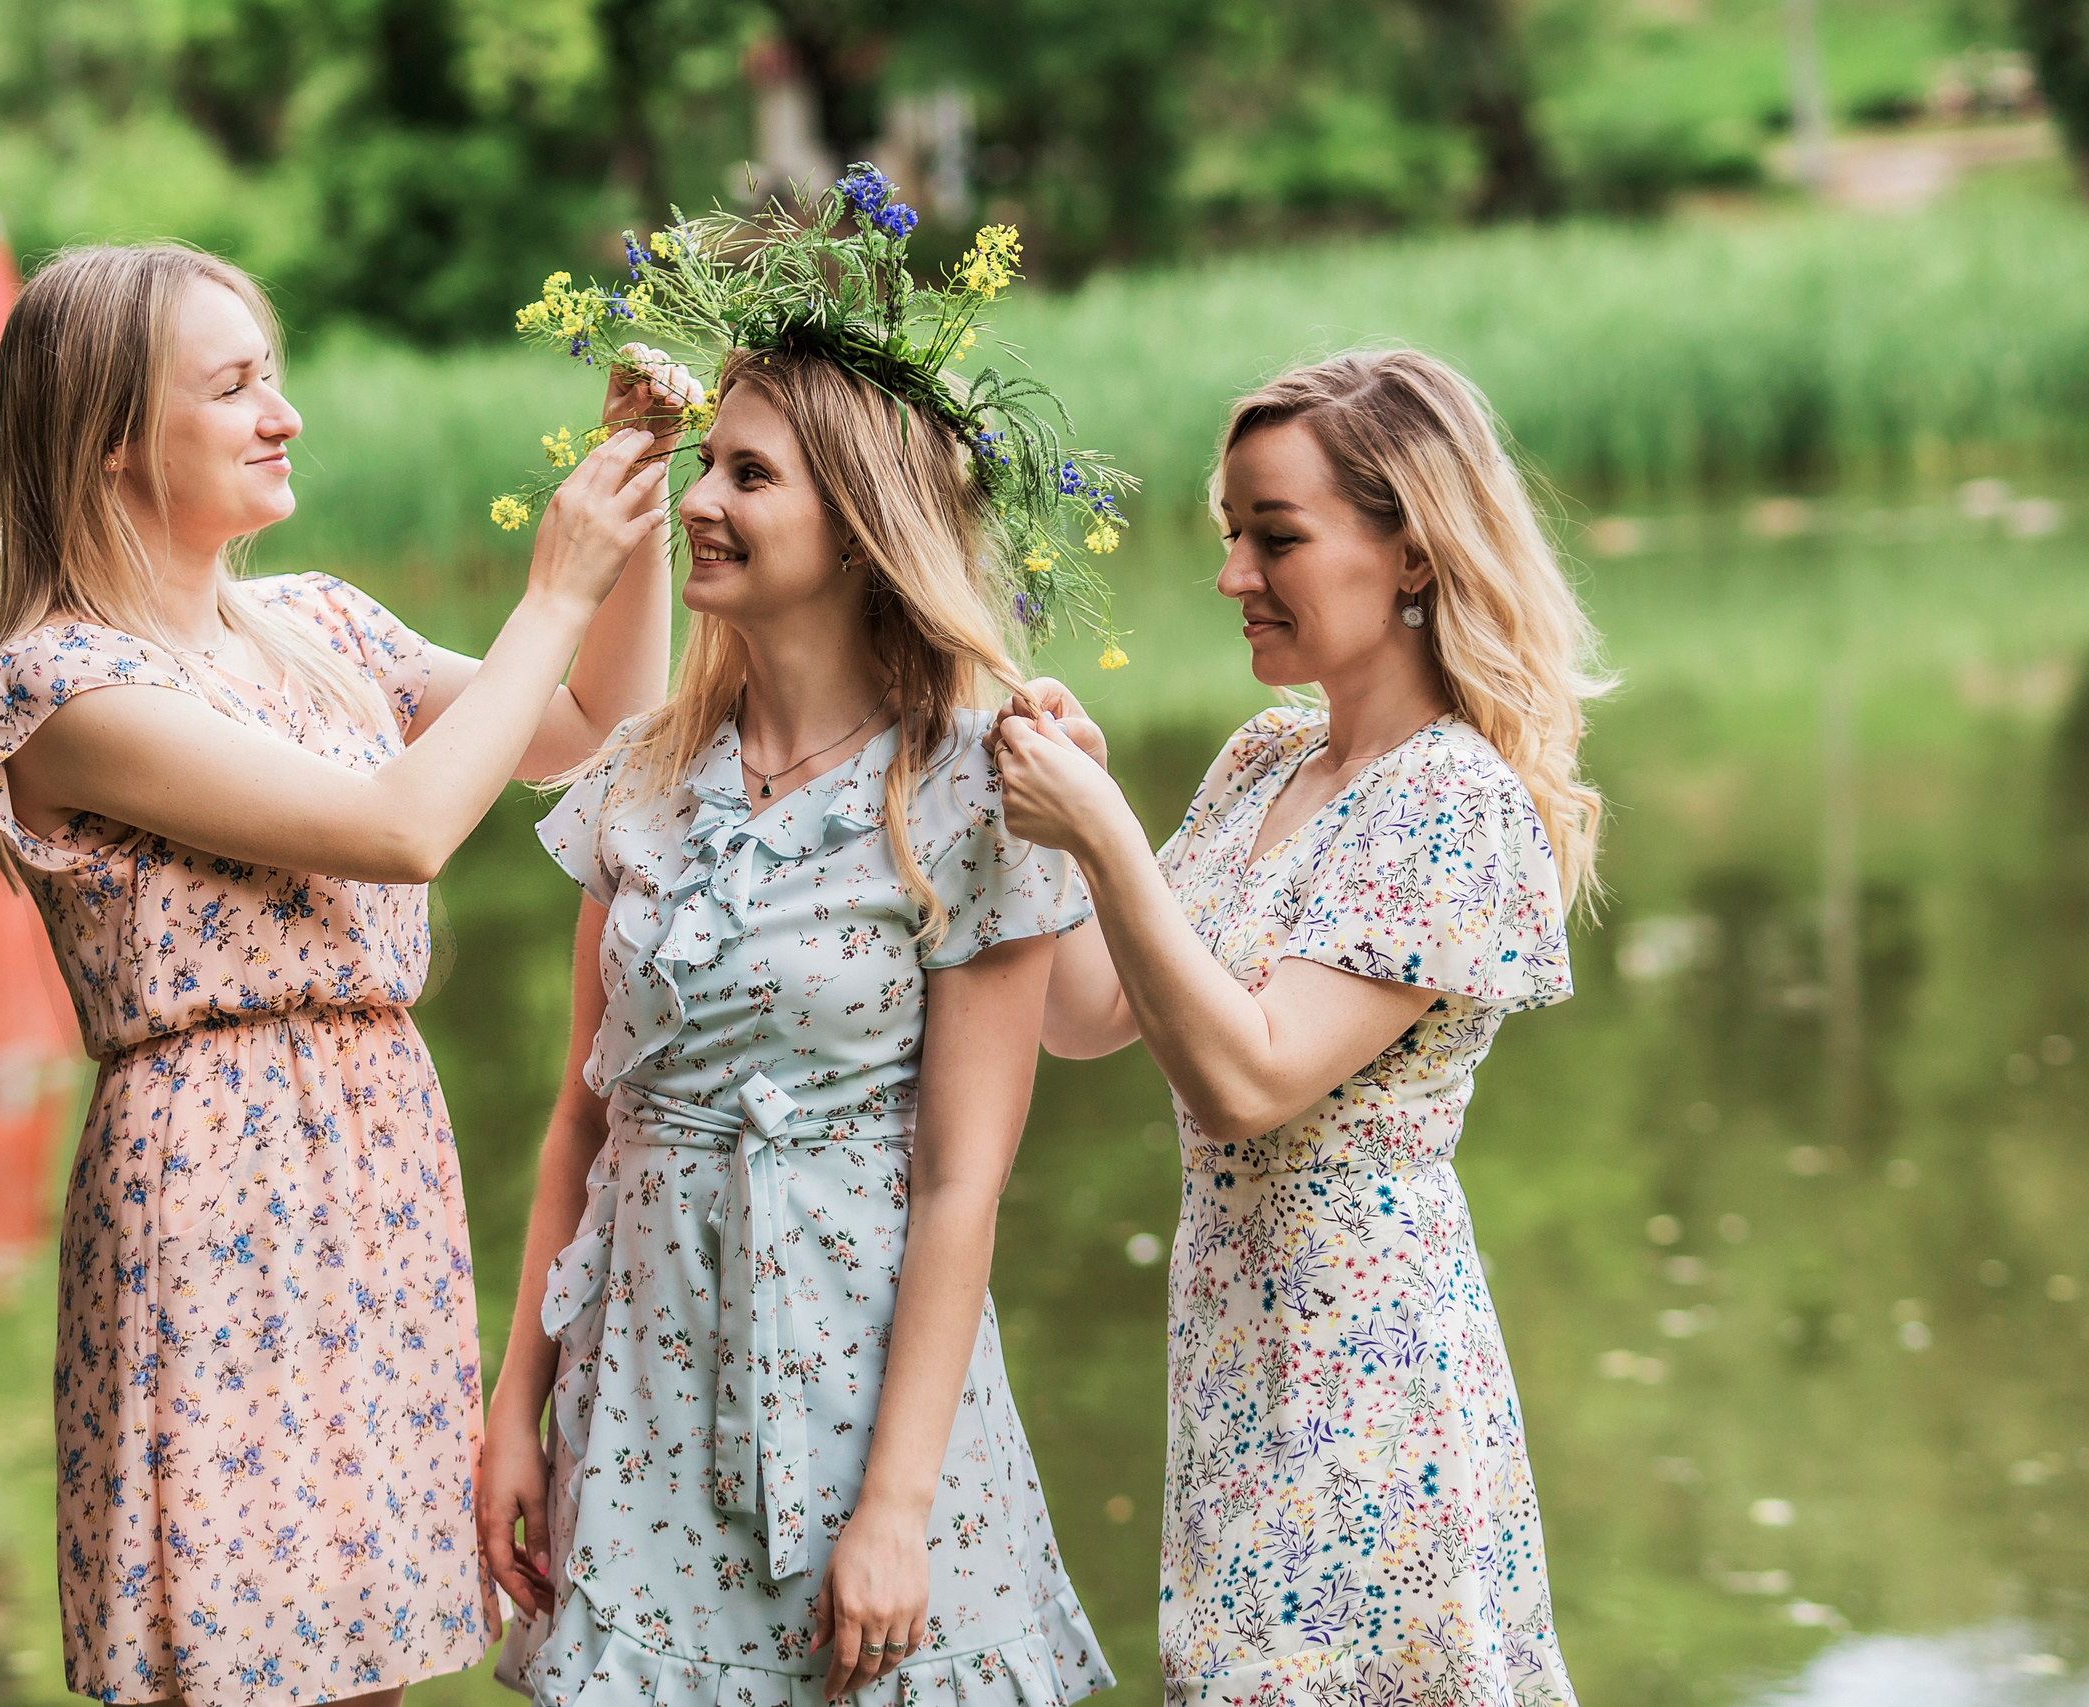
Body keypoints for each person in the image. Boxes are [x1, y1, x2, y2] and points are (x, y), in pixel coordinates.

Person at [0, 242, 697, 1707]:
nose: (282, 411)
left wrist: (637, 506)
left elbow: (595, 725)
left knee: (363, 1653)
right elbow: (402, 830)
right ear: (110, 439)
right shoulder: (60, 687)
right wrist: (550, 585)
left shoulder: (322, 626)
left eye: (274, 375)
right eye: (234, 387)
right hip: (212, 1183)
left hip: (375, 1157)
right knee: (241, 1656)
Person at [478, 341, 1114, 1706]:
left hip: (866, 1387)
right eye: (705, 466)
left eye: (748, 476)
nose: (702, 499)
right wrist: (513, 1406)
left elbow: (962, 1182)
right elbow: (585, 1118)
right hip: (641, 1385)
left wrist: (894, 1509)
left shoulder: (972, 786)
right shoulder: (641, 780)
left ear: (860, 533)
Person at [993, 348, 1605, 1705]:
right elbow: (1087, 1012)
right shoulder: (1266, 756)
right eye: (1230, 538)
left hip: (1371, 1363)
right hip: (1234, 1341)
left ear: (1413, 555)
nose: (1233, 577)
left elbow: (1247, 1080)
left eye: (1276, 537)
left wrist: (1106, 838)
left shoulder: (1456, 799)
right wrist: (1066, 825)